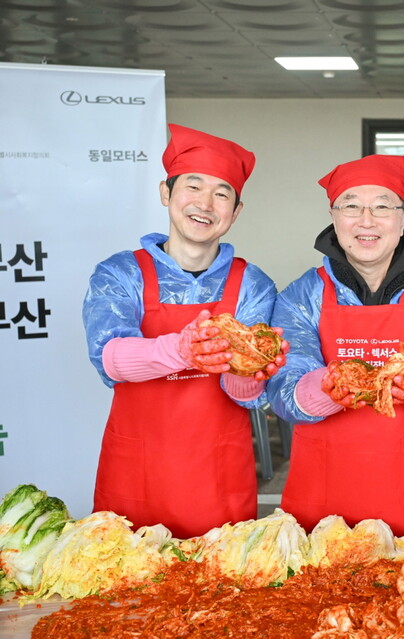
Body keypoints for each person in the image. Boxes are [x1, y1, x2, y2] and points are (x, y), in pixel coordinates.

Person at [83, 124, 287, 539]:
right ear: (165, 193)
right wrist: (182, 349)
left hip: (217, 472)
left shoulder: (252, 284)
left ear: (236, 210)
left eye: (222, 193)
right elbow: (110, 359)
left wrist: (251, 373)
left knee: (218, 592)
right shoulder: (121, 273)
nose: (205, 204)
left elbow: (241, 393)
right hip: (136, 470)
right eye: (193, 187)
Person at [266, 154, 404, 536]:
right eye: (352, 206)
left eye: (382, 206)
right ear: (333, 215)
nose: (366, 220)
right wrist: (325, 389)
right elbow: (283, 392)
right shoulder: (301, 295)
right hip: (323, 505)